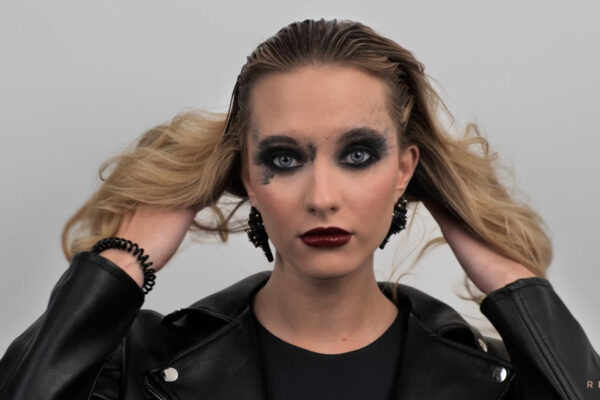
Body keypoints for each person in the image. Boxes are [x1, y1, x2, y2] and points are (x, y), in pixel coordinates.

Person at [0, 18, 598, 400]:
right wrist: (122, 263)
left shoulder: (491, 376)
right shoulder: (136, 364)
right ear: (246, 176)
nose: (321, 197)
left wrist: (510, 279)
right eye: (284, 158)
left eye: (358, 154)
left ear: (405, 170)